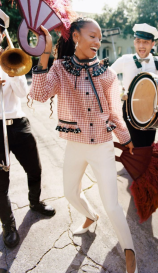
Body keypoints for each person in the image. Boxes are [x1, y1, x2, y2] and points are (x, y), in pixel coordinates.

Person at [29, 17, 138, 273]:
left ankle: (130, 250)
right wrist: (45, 53)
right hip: (75, 144)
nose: (97, 42)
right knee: (70, 193)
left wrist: (126, 138)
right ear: (76, 37)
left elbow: (114, 113)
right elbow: (39, 94)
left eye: (100, 38)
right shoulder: (59, 68)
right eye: (92, 36)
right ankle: (90, 215)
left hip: (102, 145)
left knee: (111, 204)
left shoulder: (107, 74)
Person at [0, 9, 55, 249]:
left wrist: (10, 71)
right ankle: (9, 227)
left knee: (35, 168)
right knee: (0, 184)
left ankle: (35, 203)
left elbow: (23, 92)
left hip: (18, 124)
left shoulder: (11, 58)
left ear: (2, 35)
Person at [111, 23, 158, 148]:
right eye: (138, 41)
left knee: (147, 145)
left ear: (152, 44)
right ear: (134, 42)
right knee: (133, 145)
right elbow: (107, 77)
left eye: (146, 42)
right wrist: (120, 92)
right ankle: (133, 166)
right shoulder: (125, 60)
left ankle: (143, 165)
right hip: (130, 109)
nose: (141, 46)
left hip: (151, 110)